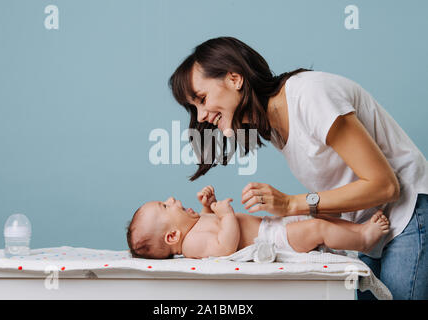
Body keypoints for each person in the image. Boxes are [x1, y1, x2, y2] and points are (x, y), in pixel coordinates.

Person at [168, 37, 428, 299]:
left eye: (202, 99)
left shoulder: (309, 96)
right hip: (373, 227)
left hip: (408, 214)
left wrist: (291, 205)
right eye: (194, 107)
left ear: (235, 79)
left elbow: (385, 185)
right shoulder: (275, 129)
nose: (200, 116)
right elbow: (342, 184)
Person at [127, 186, 389, 260]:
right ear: (172, 237)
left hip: (272, 225)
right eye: (165, 206)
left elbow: (210, 222)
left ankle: (353, 230)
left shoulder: (194, 227)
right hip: (273, 241)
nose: (171, 198)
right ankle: (363, 240)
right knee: (316, 229)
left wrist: (209, 205)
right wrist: (227, 215)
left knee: (317, 216)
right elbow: (223, 247)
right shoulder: (192, 244)